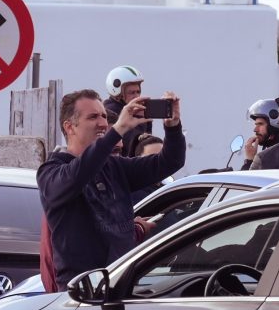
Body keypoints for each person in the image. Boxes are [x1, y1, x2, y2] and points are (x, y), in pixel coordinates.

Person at [38, 87, 187, 282]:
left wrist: (173, 126)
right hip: (82, 294)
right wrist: (117, 130)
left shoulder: (114, 167)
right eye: (92, 117)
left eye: (103, 116)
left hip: (122, 285)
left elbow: (169, 162)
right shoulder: (52, 172)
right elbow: (78, 174)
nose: (102, 123)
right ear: (69, 127)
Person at [104, 64, 154, 158]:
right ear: (118, 92)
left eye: (138, 92)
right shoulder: (110, 112)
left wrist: (147, 119)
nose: (136, 96)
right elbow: (131, 145)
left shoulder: (136, 110)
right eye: (131, 92)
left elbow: (146, 142)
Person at [238, 98, 279, 169]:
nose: (255, 130)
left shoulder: (277, 156)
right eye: (256, 125)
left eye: (260, 124)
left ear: (274, 125)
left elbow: (249, 179)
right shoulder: (272, 152)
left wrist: (249, 161)